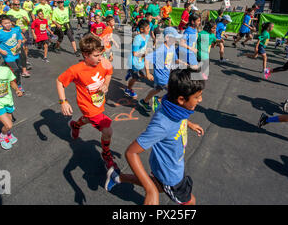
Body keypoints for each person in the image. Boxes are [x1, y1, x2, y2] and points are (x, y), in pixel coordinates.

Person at [105, 68, 205, 206]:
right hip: (171, 174)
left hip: (170, 166)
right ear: (181, 99)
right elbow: (131, 152)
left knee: (159, 186)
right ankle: (129, 180)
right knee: (189, 202)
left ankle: (118, 177)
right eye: (197, 97)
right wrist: (150, 190)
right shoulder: (162, 125)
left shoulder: (174, 107)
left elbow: (178, 118)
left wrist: (190, 124)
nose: (201, 99)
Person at [56, 34, 117, 171]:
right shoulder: (76, 70)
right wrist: (63, 102)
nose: (100, 58)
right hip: (87, 105)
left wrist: (106, 84)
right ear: (85, 54)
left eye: (101, 54)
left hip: (99, 102)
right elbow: (60, 81)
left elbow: (109, 72)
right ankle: (106, 154)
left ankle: (76, 125)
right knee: (107, 130)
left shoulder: (103, 62)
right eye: (96, 56)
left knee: (89, 119)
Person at [138, 27, 182, 112]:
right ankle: (158, 100)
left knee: (157, 89)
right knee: (174, 92)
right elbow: (147, 58)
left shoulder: (172, 47)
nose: (176, 40)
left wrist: (184, 63)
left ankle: (144, 101)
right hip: (161, 76)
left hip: (167, 73)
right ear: (167, 38)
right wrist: (148, 73)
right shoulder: (161, 49)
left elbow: (175, 59)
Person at [0, 15, 26, 93]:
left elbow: (19, 38)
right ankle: (18, 85)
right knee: (16, 70)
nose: (8, 25)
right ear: (1, 25)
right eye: (5, 23)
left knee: (18, 66)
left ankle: (8, 75)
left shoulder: (15, 30)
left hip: (16, 51)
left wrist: (19, 43)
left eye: (9, 23)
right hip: (7, 55)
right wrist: (0, 51)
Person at [124, 20, 151, 99]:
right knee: (135, 78)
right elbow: (134, 53)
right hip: (134, 61)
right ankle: (128, 89)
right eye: (148, 28)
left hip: (140, 60)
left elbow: (145, 47)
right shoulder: (137, 38)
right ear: (142, 30)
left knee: (141, 75)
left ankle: (130, 72)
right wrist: (144, 54)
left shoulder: (147, 36)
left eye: (149, 28)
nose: (149, 30)